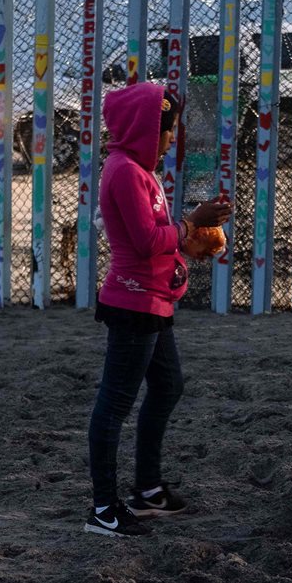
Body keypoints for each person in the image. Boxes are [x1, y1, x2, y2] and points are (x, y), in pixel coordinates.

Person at [84, 82, 231, 538]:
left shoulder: (140, 171)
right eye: (166, 131)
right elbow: (147, 241)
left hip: (152, 299)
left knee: (168, 386)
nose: (170, 139)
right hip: (133, 302)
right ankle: (104, 510)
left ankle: (147, 490)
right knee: (114, 405)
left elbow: (157, 232)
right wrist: (192, 225)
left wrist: (190, 237)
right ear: (144, 129)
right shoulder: (125, 171)